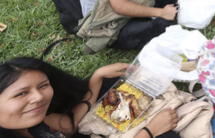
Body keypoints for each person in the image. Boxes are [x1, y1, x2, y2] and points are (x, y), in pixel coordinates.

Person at [0, 58, 178, 138]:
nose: (38, 97)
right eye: (21, 93)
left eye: (43, 85)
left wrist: (97, 78)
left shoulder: (33, 120)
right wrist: (149, 132)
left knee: (110, 82)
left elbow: (69, 126)